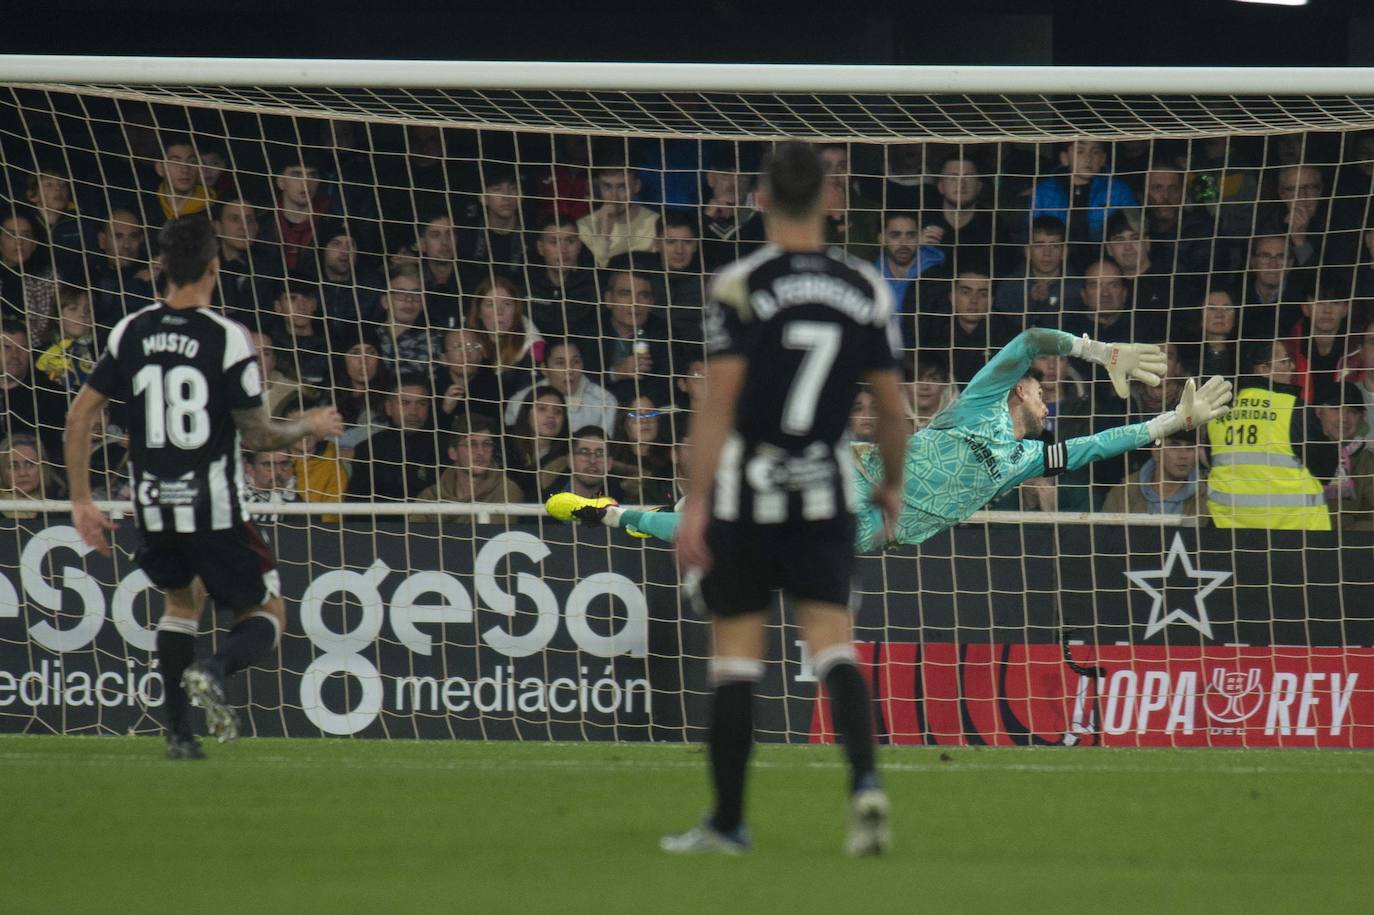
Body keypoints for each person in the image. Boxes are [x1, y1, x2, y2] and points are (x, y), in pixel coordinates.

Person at [569, 141, 912, 858]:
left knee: (734, 661)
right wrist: (891, 479)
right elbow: (890, 407)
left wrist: (696, 505)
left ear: (759, 201)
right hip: (822, 489)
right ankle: (867, 785)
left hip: (750, 494)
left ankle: (727, 822)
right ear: (830, 201)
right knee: (833, 647)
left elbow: (716, 406)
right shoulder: (866, 288)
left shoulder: (738, 284)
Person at [64, 214, 343, 759]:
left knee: (180, 601)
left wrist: (81, 501)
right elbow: (258, 434)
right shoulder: (226, 337)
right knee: (267, 612)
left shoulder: (131, 330)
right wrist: (309, 424)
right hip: (211, 505)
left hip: (150, 504)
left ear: (162, 268)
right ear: (214, 267)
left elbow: (79, 418)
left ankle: (178, 736)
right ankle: (213, 669)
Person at [561, 328, 1224, 554]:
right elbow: (1027, 342)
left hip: (862, 533)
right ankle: (612, 511)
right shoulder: (977, 407)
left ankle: (635, 512)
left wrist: (1170, 423)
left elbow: (1098, 446)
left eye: (1045, 387)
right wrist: (1096, 349)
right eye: (1043, 387)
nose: (1047, 393)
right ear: (1021, 393)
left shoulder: (1027, 459)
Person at [1206, 340, 1336, 531]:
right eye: (1285, 361)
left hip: (1228, 530)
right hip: (1296, 533)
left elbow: (1210, 459)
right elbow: (1326, 469)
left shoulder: (1219, 410)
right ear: (1263, 368)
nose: (1292, 367)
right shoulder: (1294, 409)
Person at [343, 376, 441, 502]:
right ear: (389, 408)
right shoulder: (369, 449)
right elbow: (357, 504)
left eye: (421, 404)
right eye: (405, 403)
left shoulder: (443, 447)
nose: (414, 412)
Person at [414, 416, 525, 523]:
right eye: (471, 444)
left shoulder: (507, 492)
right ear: (453, 453)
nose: (480, 452)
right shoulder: (430, 497)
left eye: (486, 444)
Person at [505, 339, 616, 433]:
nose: (569, 370)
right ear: (544, 369)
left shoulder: (605, 402)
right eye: (560, 363)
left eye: (576, 362)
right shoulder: (520, 402)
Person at [1101, 430, 1211, 520]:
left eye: (1190, 447)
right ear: (1156, 452)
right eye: (1174, 446)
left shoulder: (1206, 498)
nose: (1183, 455)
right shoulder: (1123, 495)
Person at [576, 153, 659, 267]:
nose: (614, 197)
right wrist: (604, 235)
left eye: (622, 187)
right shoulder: (584, 226)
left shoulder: (655, 224)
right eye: (607, 187)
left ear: (636, 186)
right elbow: (591, 273)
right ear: (597, 186)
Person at [1316, 382, 1374, 531]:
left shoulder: (1364, 460)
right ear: (1318, 411)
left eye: (1353, 411)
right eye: (1335, 408)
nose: (1344, 418)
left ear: (1362, 418)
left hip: (1345, 547)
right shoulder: (1297, 452)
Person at [540, 425, 624, 503]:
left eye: (600, 453)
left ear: (609, 463)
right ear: (570, 460)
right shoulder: (543, 502)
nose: (592, 460)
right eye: (584, 452)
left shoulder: (625, 506)